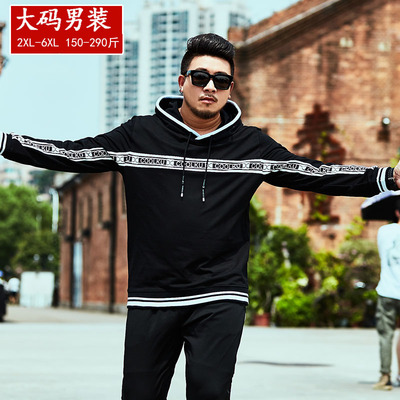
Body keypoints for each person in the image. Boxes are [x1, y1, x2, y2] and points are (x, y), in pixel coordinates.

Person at [1, 33, 400, 399]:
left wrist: (387, 177)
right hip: (152, 294)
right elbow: (71, 153)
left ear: (230, 89)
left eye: (221, 81)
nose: (210, 87)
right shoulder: (138, 136)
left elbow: (315, 173)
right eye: (201, 77)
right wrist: (5, 143)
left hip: (219, 293)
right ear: (182, 82)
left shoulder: (252, 146)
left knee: (210, 393)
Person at [373, 200, 400, 391]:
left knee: (386, 335)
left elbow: (382, 255)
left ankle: (385, 376)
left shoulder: (384, 231)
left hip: (388, 290)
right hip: (389, 290)